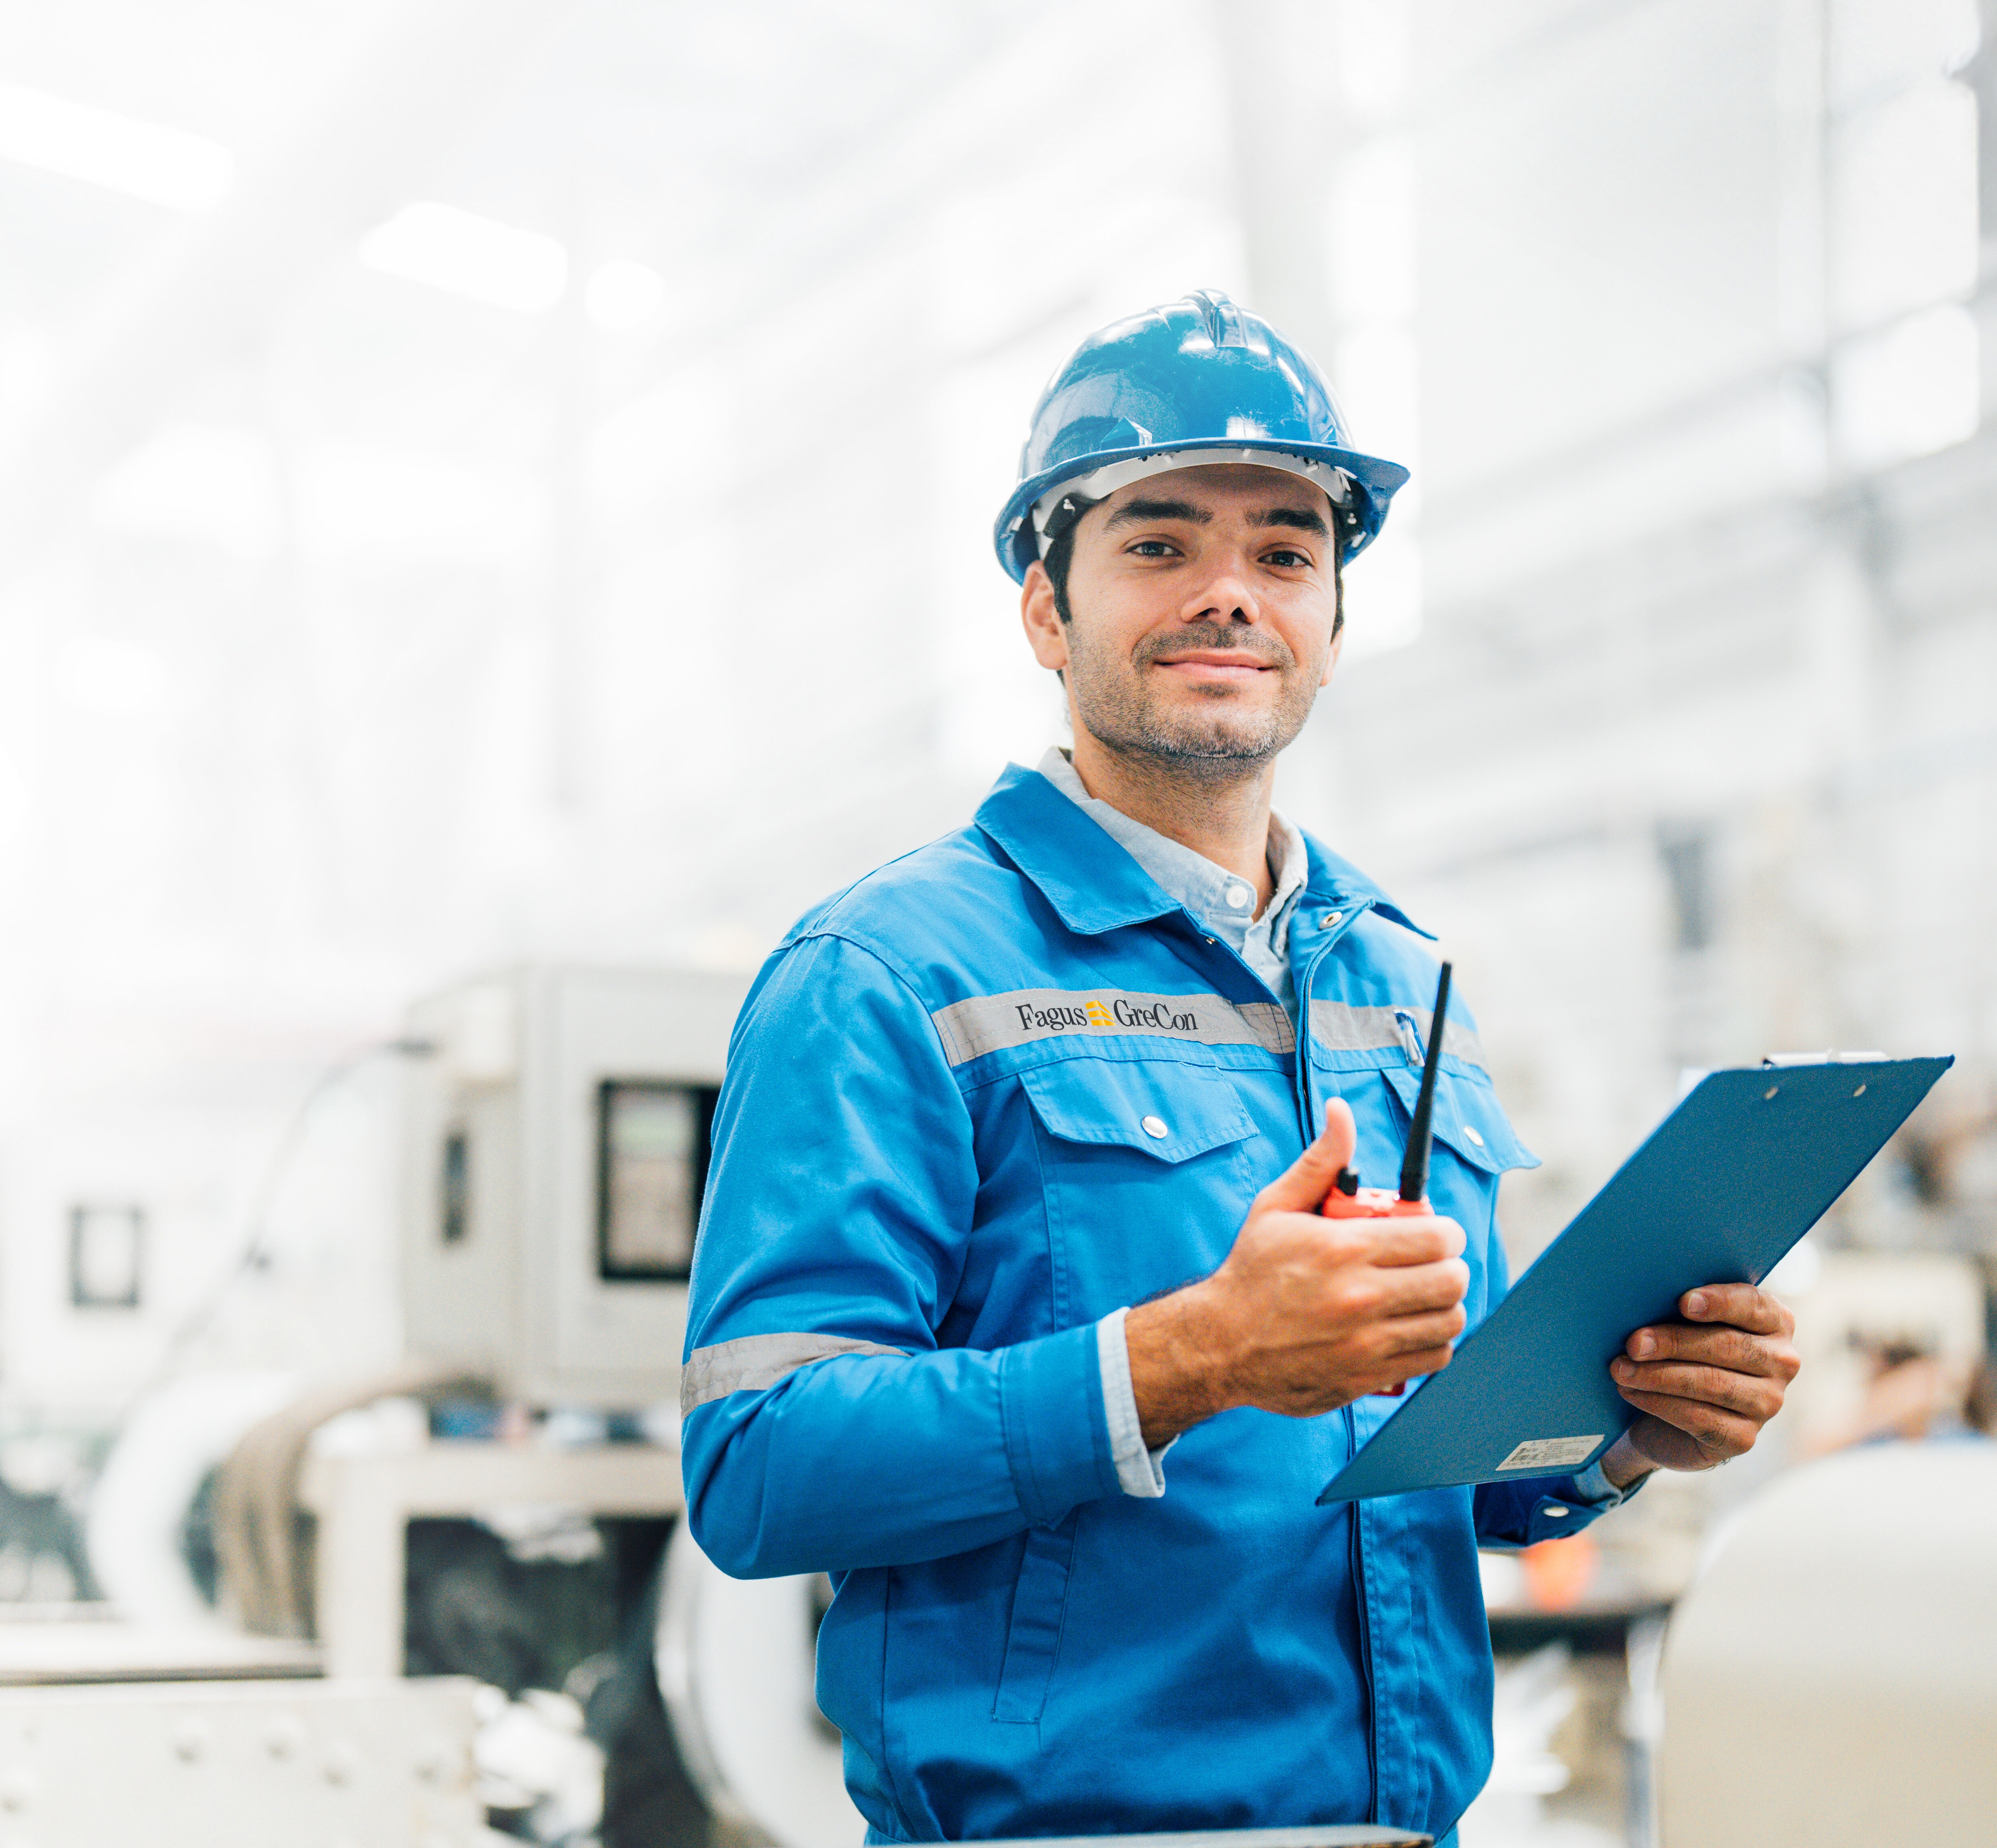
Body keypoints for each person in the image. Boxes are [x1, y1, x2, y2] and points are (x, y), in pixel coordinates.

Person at [677, 292, 1802, 1842]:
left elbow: (1416, 1476)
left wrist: (1621, 1433)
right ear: (1041, 609)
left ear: (1332, 622)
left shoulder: (1401, 983)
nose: (1229, 594)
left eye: (1283, 553)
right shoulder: (880, 973)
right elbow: (756, 1466)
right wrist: (1187, 1357)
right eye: (1157, 544)